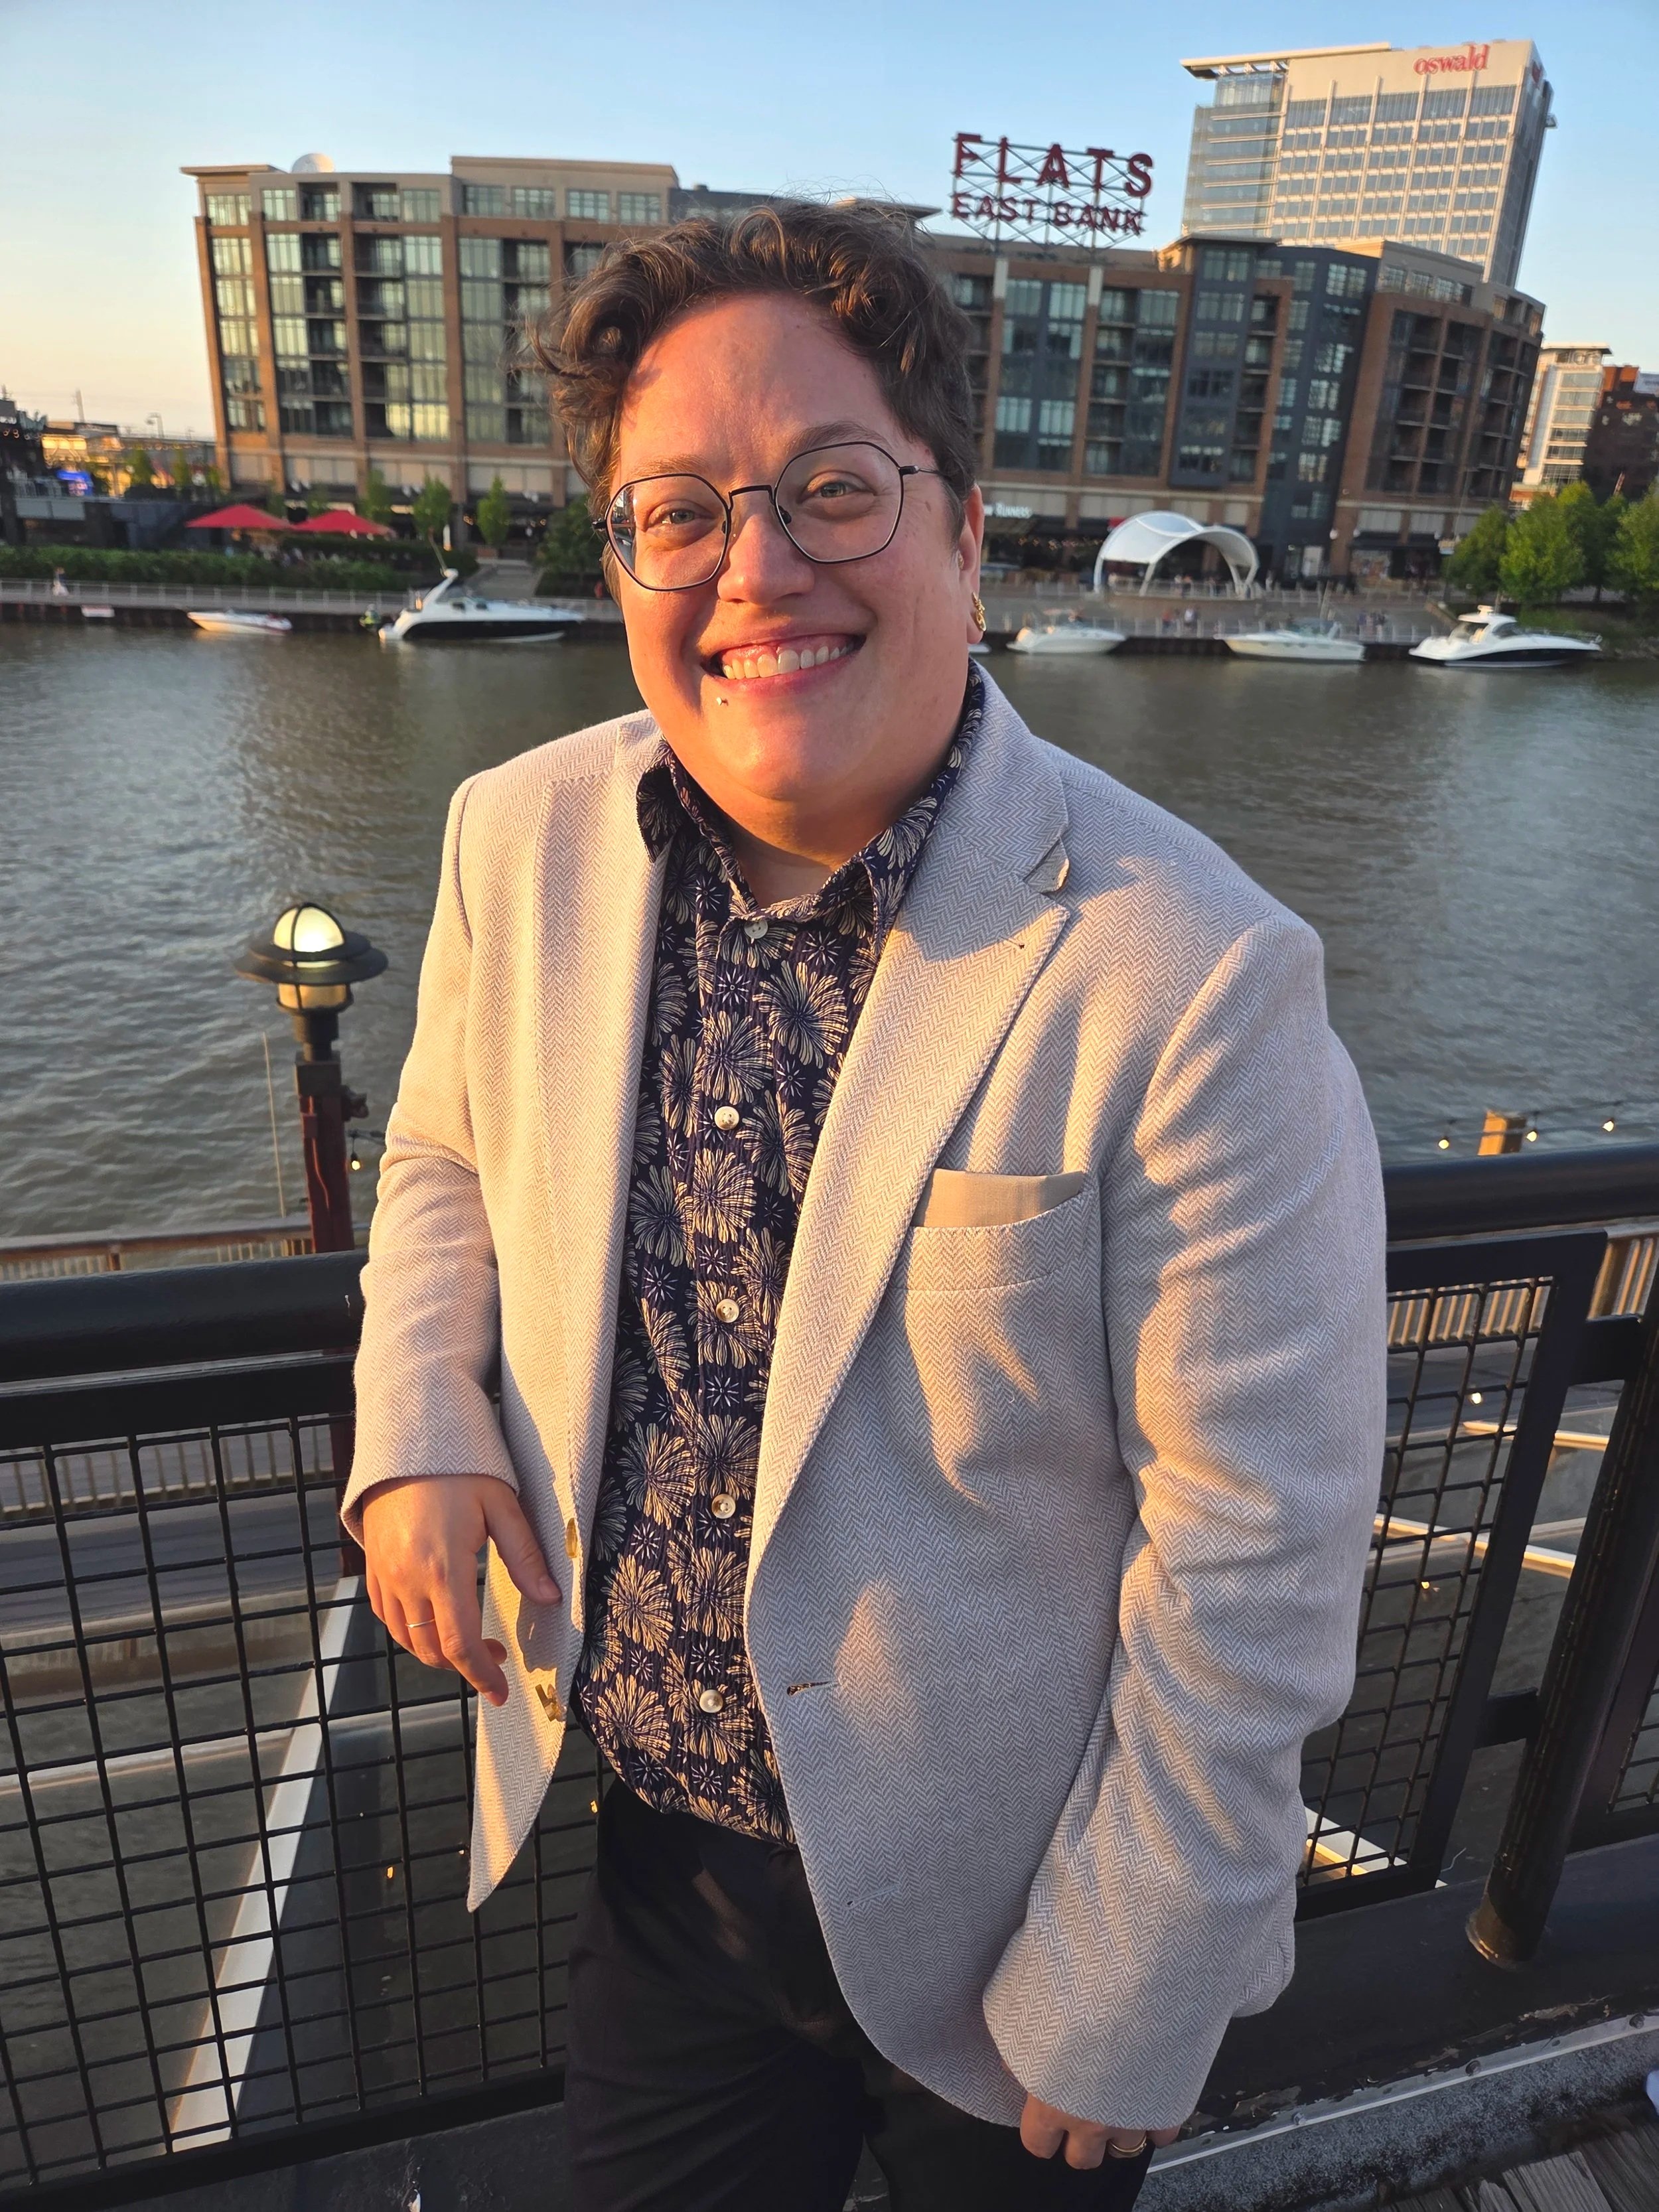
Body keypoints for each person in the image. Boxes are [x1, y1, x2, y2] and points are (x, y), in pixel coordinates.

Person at [348, 201, 1387, 2212]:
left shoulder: (1194, 972)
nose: (758, 570)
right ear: (628, 558)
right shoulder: (521, 834)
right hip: (663, 1852)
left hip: (1021, 1905)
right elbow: (443, 1150)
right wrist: (417, 1421)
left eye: (833, 490)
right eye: (680, 511)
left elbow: (1257, 1545)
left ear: (964, 536)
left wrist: (1129, 1978)